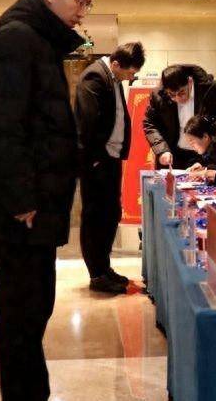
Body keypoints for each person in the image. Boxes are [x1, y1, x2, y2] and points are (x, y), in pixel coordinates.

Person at [0, 0, 98, 401]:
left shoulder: (37, 41)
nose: (83, 11)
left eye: (88, 4)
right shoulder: (16, 40)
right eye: (80, 0)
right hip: (17, 217)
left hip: (32, 213)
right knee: (20, 321)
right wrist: (22, 202)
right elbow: (1, 128)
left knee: (32, 316)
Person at [75, 41, 145, 294]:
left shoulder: (112, 78)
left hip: (110, 158)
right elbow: (87, 122)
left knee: (110, 214)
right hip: (98, 160)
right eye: (130, 72)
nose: (131, 77)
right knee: (96, 217)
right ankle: (97, 274)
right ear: (116, 64)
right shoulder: (94, 77)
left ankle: (104, 267)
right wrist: (95, 158)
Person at [143, 64, 216, 169]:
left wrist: (210, 150)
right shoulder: (159, 95)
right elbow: (150, 122)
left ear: (190, 82)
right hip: (173, 154)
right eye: (172, 95)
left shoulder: (210, 90)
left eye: (181, 93)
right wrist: (162, 150)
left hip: (205, 154)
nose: (178, 99)